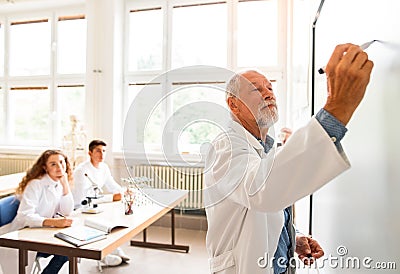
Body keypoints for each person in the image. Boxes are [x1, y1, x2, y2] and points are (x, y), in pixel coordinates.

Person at [203, 43, 373, 274]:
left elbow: (270, 207)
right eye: (255, 89)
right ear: (234, 104)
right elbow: (262, 191)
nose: (268, 93)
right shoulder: (225, 147)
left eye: (270, 87)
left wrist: (293, 238)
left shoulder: (266, 147)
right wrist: (337, 110)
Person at [9, 149, 74, 274]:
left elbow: (67, 211)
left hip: (42, 233)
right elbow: (24, 216)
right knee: (66, 252)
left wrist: (65, 185)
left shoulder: (59, 183)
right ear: (45, 167)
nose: (59, 167)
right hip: (24, 234)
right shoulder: (36, 184)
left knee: (71, 249)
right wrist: (53, 222)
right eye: (53, 164)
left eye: (62, 162)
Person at [71, 139, 129, 267]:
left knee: (114, 217)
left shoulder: (103, 167)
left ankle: (114, 248)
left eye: (104, 151)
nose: (102, 154)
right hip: (80, 208)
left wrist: (124, 192)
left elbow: (111, 184)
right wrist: (111, 198)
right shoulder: (82, 171)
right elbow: (84, 199)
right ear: (90, 153)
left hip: (96, 204)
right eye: (98, 151)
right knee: (103, 220)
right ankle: (104, 256)